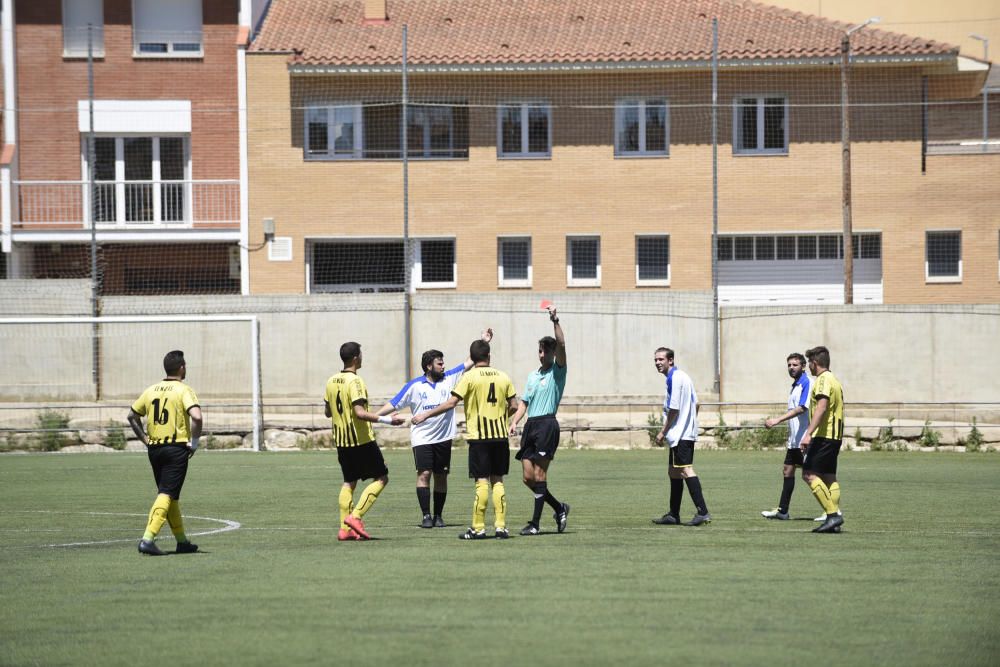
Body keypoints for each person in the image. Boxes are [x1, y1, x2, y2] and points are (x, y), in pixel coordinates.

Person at [377, 328, 494, 529]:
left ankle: (439, 515)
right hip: (422, 438)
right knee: (424, 474)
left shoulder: (450, 377)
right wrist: (376, 417)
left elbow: (471, 361)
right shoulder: (414, 386)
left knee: (441, 476)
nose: (443, 366)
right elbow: (394, 403)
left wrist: (483, 341)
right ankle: (426, 516)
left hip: (443, 438)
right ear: (429, 366)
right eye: (439, 363)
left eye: (443, 362)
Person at [412, 338, 517, 540]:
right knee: (498, 481)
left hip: (479, 438)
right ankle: (501, 527)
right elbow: (513, 404)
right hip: (500, 437)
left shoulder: (469, 378)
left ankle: (478, 528)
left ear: (474, 357)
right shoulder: (503, 376)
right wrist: (501, 417)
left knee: (481, 482)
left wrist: (425, 415)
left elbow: (451, 403)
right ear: (489, 356)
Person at [324, 341, 405, 541]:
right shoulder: (355, 382)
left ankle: (344, 529)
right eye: (361, 354)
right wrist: (388, 420)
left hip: (342, 441)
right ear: (355, 358)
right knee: (382, 477)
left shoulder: (331, 380)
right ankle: (356, 517)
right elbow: (359, 413)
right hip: (361, 440)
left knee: (349, 482)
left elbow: (327, 412)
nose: (362, 357)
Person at [127, 350, 203, 556]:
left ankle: (182, 542)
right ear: (182, 367)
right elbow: (196, 417)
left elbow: (131, 416)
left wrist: (144, 439)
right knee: (166, 493)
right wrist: (194, 443)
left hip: (154, 450)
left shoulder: (151, 390)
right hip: (175, 449)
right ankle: (147, 539)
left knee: (171, 496)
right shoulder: (183, 390)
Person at [509, 306, 570, 536]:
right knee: (528, 478)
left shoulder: (558, 371)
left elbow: (562, 344)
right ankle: (559, 507)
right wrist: (515, 421)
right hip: (531, 426)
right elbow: (524, 402)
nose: (541, 354)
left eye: (545, 351)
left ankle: (535, 524)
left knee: (540, 476)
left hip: (547, 425)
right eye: (540, 351)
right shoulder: (533, 376)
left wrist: (555, 320)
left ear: (553, 354)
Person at [651, 347, 711, 527]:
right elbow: (697, 403)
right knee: (673, 471)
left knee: (685, 470)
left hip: (680, 434)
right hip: (683, 432)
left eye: (661, 359)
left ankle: (703, 512)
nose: (657, 363)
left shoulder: (675, 379)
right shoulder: (683, 376)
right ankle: (674, 514)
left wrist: (663, 431)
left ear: (671, 361)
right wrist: (690, 422)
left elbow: (674, 408)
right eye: (655, 360)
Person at [799, 345, 846, 534]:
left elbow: (821, 407)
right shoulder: (835, 380)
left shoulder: (822, 380)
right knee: (828, 477)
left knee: (808, 474)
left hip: (824, 435)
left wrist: (808, 433)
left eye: (809, 362)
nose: (809, 366)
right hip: (834, 436)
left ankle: (832, 514)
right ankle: (832, 520)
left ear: (814, 363)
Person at [761, 353, 811, 520]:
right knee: (787, 470)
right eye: (789, 365)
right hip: (795, 440)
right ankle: (783, 511)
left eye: (795, 365)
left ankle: (831, 511)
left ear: (803, 366)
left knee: (813, 475)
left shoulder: (807, 383)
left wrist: (777, 420)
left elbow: (802, 408)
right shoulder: (795, 385)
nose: (791, 368)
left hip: (805, 438)